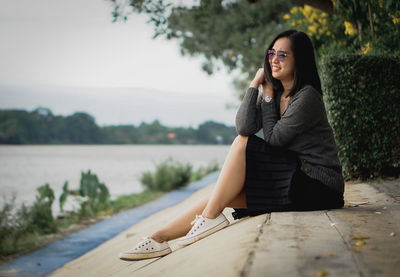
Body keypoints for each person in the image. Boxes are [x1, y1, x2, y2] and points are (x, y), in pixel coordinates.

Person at [118, 29, 345, 261]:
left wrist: (266, 97)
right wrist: (255, 85)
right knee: (221, 195)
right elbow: (245, 126)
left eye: (282, 55)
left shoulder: (306, 97)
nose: (274, 59)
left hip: (319, 184)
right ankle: (159, 238)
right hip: (295, 179)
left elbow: (274, 141)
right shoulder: (276, 93)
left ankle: (209, 218)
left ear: (299, 59)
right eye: (271, 53)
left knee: (241, 146)